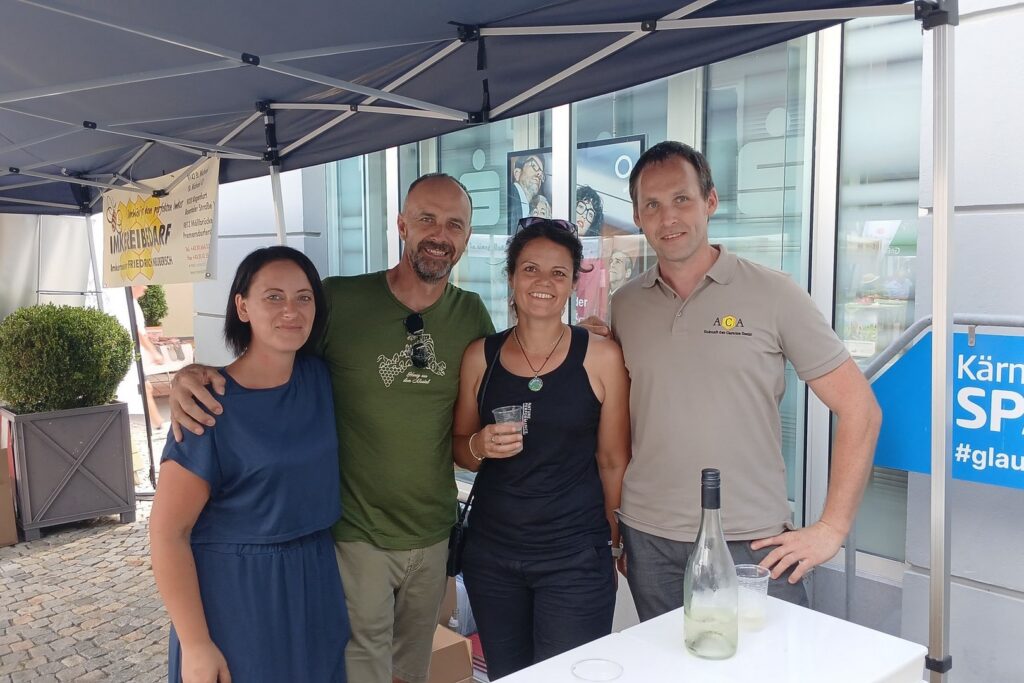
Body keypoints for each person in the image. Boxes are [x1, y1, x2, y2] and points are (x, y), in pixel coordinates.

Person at [169, 173, 494, 683]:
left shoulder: (470, 313)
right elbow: (275, 353)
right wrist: (194, 373)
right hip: (354, 532)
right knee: (361, 669)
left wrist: (572, 339)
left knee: (409, 671)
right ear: (401, 225)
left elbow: (508, 373)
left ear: (468, 236)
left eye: (454, 224)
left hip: (433, 530)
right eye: (427, 219)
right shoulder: (340, 299)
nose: (439, 233)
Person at [605, 141, 882, 620]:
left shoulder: (774, 293)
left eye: (681, 199)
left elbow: (860, 409)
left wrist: (832, 528)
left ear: (710, 201)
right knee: (668, 659)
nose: (668, 217)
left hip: (752, 542)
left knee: (770, 658)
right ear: (637, 216)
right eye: (652, 205)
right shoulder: (625, 304)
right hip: (650, 537)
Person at [150, 246, 348, 682]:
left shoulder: (319, 378)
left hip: (316, 581)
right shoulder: (207, 406)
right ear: (242, 306)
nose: (291, 310)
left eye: (303, 297)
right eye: (273, 297)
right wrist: (196, 644)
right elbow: (167, 533)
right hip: (239, 594)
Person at [451, 217, 630, 678]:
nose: (543, 282)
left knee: (567, 675)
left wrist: (614, 544)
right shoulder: (480, 357)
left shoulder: (601, 357)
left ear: (572, 284)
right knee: (508, 676)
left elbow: (613, 461)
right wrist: (481, 444)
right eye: (531, 269)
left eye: (558, 272)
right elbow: (460, 449)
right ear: (511, 277)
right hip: (492, 557)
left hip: (575, 557)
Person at [508, 154, 545, 229]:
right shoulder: (509, 198)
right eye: (534, 165)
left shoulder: (532, 209)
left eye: (542, 174)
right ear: (517, 173)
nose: (539, 174)